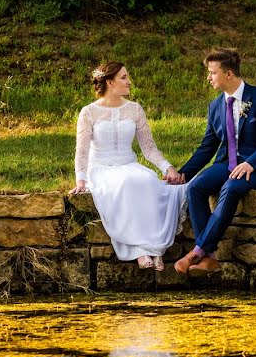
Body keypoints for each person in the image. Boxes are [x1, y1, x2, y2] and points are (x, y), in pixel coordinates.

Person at [173, 47, 256, 276]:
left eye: (212, 73)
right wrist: (183, 173)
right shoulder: (215, 107)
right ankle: (211, 258)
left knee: (232, 186)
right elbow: (208, 146)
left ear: (228, 74)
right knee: (195, 187)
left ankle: (198, 252)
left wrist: (251, 163)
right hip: (227, 163)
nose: (208, 78)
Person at [70, 61, 188, 272]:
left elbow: (149, 148)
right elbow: (82, 150)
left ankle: (155, 248)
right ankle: (139, 251)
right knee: (125, 183)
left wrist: (167, 168)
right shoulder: (88, 112)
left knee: (146, 180)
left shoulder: (135, 109)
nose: (129, 81)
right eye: (123, 77)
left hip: (129, 164)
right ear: (109, 82)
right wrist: (81, 179)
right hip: (102, 168)